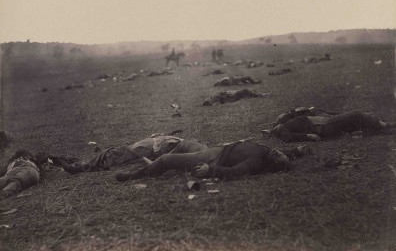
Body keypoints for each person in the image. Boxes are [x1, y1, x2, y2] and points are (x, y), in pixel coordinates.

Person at [116, 141, 311, 181]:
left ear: (273, 165)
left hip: (213, 158)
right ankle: (162, 165)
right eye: (280, 153)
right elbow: (282, 154)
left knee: (167, 159)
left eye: (278, 157)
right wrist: (297, 150)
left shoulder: (257, 162)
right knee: (186, 143)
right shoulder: (270, 153)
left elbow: (235, 172)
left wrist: (210, 170)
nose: (277, 152)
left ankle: (137, 175)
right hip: (217, 149)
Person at [58, 135, 207, 174]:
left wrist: (156, 161)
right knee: (118, 151)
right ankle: (85, 165)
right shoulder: (202, 149)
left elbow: (170, 158)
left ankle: (82, 167)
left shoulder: (198, 153)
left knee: (117, 153)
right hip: (162, 142)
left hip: (157, 147)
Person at [264, 107, 396, 142]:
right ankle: (385, 125)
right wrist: (308, 136)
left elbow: (287, 116)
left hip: (321, 122)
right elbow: (288, 138)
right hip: (322, 126)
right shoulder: (282, 130)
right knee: (356, 114)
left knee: (352, 119)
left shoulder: (283, 123)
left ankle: (382, 129)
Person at [203, 88, 271, 106]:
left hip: (232, 96)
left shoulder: (214, 99)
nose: (210, 98)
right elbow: (221, 100)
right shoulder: (214, 100)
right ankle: (263, 95)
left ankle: (262, 94)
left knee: (248, 93)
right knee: (245, 91)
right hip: (232, 98)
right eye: (208, 99)